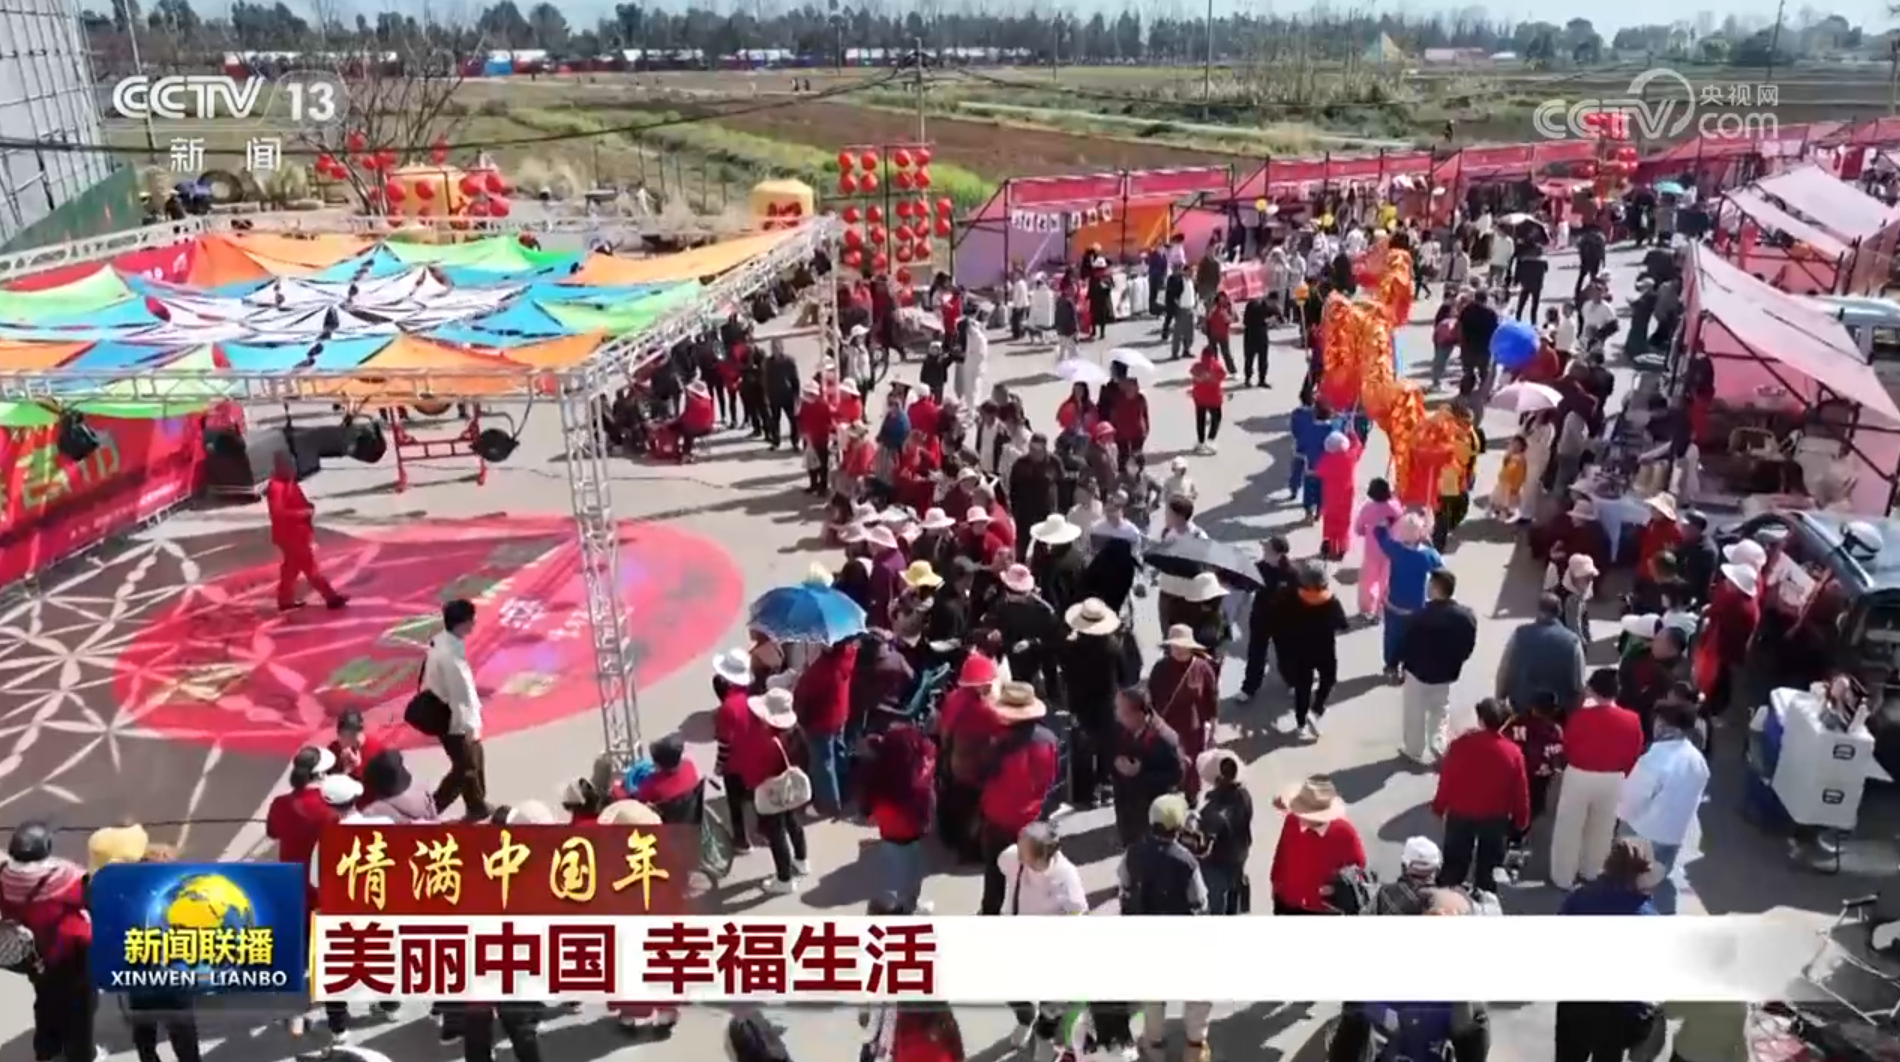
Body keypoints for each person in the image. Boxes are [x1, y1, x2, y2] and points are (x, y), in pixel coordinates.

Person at [1121, 794, 1212, 1062]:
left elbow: (1124, 888)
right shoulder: (1186, 861)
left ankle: (1154, 1044)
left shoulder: (1133, 853)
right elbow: (1200, 901)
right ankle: (1195, 1046)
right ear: (1179, 826)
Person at [1, 822, 95, 1062]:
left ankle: (46, 1052)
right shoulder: (65, 878)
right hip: (72, 953)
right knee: (80, 1008)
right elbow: (90, 900)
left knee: (45, 1002)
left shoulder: (4, 876)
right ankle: (81, 1055)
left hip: (34, 955)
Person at [996, 820, 1088, 1050]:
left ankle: (1045, 1038)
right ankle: (1026, 1017)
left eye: (1024, 850)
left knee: (1052, 1004)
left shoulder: (1066, 876)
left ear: (1041, 857)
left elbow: (1078, 913)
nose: (1018, 852)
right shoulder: (1010, 858)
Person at [1548, 669, 1644, 887]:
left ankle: (1563, 876)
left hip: (1579, 775)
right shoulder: (1632, 720)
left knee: (1569, 827)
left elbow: (1568, 746)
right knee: (1602, 828)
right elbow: (1634, 752)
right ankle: (1592, 871)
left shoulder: (1580, 717)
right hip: (1614, 779)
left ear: (1592, 689)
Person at [1617, 696, 1710, 914]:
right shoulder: (1698, 760)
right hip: (1673, 835)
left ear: (1665, 725)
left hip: (1642, 833)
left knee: (1628, 882)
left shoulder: (1654, 760)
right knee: (1659, 880)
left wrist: (1621, 818)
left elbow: (1632, 798)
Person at [977, 683, 1061, 914]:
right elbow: (1053, 778)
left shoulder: (997, 743)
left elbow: (981, 776)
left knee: (995, 872)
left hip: (999, 819)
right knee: (1032, 875)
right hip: (1034, 818)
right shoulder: (1049, 739)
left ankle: (990, 913)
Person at [1433, 697, 1529, 892]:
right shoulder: (1513, 752)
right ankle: (1484, 898)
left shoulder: (1460, 745)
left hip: (1460, 812)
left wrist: (1439, 806)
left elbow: (1447, 779)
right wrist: (1522, 819)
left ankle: (1448, 897)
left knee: (1454, 863)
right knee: (1489, 866)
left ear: (1481, 720)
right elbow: (1520, 790)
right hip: (1495, 816)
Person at [731, 688, 810, 894]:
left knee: (776, 834)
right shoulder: (796, 732)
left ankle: (784, 879)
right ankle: (801, 860)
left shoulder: (769, 742)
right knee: (793, 822)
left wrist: (750, 783)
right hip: (790, 788)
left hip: (773, 793)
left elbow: (757, 774)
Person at [1061, 599, 1139, 810]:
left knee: (1083, 749)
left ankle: (1086, 795)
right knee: (1108, 746)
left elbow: (1066, 677)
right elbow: (1124, 676)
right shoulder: (1113, 647)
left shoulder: (1071, 648)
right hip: (1108, 703)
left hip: (1080, 704)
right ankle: (1106, 785)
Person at [1398, 570, 1478, 765]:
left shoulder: (1418, 617)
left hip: (1418, 673)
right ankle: (1438, 742)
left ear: (1435, 588)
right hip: (1446, 673)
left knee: (1415, 712)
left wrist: (1400, 664)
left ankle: (1414, 750)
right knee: (1440, 708)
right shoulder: (1466, 617)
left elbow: (1405, 646)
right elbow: (1468, 646)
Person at [860, 723, 936, 912]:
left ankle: (901, 905)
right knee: (913, 873)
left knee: (896, 875)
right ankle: (905, 908)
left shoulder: (879, 775)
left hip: (890, 834)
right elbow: (931, 756)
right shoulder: (918, 776)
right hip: (912, 832)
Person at [1270, 560, 1350, 739]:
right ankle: (1317, 708)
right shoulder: (1331, 601)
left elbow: (1276, 622)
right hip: (1324, 650)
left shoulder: (1289, 597)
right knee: (1328, 679)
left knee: (1302, 689)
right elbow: (1343, 625)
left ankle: (1301, 724)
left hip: (1299, 652)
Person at [426, 597, 489, 821]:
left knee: (474, 761)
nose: (475, 623)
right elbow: (459, 696)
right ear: (462, 624)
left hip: (453, 717)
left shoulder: (444, 642)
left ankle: (477, 805)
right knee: (465, 768)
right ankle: (431, 809)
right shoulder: (451, 658)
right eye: (472, 619)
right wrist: (470, 728)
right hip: (455, 723)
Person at [1269, 776, 1366, 914]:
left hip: (1324, 909)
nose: (1300, 816)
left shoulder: (1345, 833)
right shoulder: (1292, 820)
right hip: (1287, 902)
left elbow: (1358, 870)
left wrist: (1335, 889)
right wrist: (1276, 887)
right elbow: (1281, 855)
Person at [267, 452, 347, 612]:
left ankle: (285, 599)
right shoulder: (276, 487)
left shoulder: (289, 483)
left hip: (296, 534)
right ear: (279, 467)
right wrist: (302, 513)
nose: (292, 468)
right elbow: (278, 513)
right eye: (288, 464)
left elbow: (298, 501)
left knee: (291, 569)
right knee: (310, 567)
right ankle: (330, 597)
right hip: (290, 536)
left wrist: (308, 507)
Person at [1109, 684, 1186, 847]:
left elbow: (1176, 775)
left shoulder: (1163, 739)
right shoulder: (1120, 729)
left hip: (1149, 815)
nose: (1117, 715)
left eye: (1123, 712)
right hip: (1126, 811)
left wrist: (1138, 773)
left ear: (1139, 714)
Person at [1147, 625, 1218, 801]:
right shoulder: (1160, 668)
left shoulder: (1202, 668)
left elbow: (1212, 698)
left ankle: (1191, 793)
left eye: (1182, 646)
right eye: (1175, 646)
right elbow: (1151, 697)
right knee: (1169, 761)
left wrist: (1213, 725)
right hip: (1166, 727)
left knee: (1192, 763)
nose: (1179, 651)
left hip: (1192, 729)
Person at [1372, 512, 1445, 682]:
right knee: (1413, 638)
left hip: (1394, 605)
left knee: (1392, 637)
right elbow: (1441, 569)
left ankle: (1391, 665)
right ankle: (1408, 666)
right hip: (1417, 607)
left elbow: (1380, 535)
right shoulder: (1428, 555)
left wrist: (1384, 524)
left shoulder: (1395, 550)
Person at [1496, 593, 1587, 717]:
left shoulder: (1520, 634)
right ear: (1560, 612)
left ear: (1538, 610)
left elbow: (1504, 671)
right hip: (1557, 711)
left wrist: (1500, 699)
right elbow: (1579, 684)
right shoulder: (1573, 641)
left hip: (1522, 707)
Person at [1189, 748, 1253, 915]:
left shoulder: (1213, 813)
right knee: (1234, 891)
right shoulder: (1244, 795)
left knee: (1215, 903)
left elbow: (1204, 849)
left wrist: (1192, 827)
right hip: (1240, 853)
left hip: (1218, 864)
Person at [1240, 536, 1294, 699]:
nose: (1264, 552)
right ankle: (1249, 688)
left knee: (1286, 654)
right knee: (1256, 654)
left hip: (1282, 620)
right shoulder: (1259, 568)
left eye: (1267, 550)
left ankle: (1294, 681)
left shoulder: (1291, 573)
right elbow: (1248, 585)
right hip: (1260, 617)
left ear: (1279, 554)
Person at [1354, 479, 1401, 619]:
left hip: (1372, 550)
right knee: (1385, 582)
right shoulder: (1395, 507)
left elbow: (1359, 528)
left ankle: (1366, 608)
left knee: (1367, 582)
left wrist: (1365, 532)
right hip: (1390, 551)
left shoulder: (1368, 508)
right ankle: (1380, 611)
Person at [1316, 430, 1364, 561]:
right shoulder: (1350, 457)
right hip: (1346, 497)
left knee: (1330, 523)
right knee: (1344, 523)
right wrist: (1352, 434)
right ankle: (1343, 548)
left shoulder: (1326, 460)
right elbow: (1358, 445)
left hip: (1330, 498)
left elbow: (1318, 471)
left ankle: (1331, 548)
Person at [1189, 345, 1228, 455]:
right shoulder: (1217, 366)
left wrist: (1201, 378)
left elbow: (1192, 373)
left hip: (1199, 398)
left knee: (1200, 420)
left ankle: (1201, 442)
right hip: (1213, 399)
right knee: (1216, 418)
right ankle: (1210, 440)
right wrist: (1211, 378)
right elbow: (1222, 376)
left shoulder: (1197, 366)